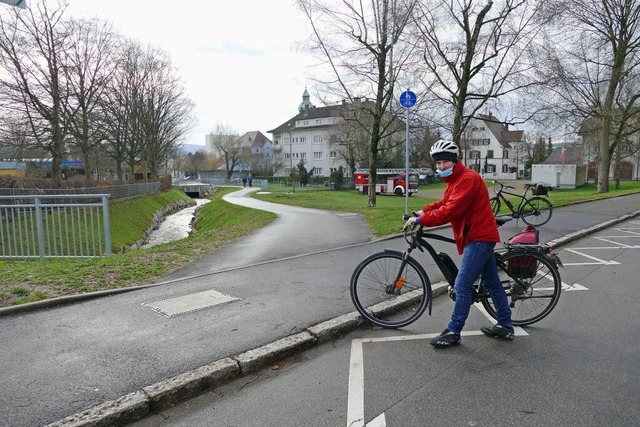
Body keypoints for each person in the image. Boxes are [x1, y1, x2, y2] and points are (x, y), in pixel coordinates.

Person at [403, 140, 514, 348]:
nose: (440, 167)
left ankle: (454, 331)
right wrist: (422, 211)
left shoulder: (468, 179)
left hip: (479, 237)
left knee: (462, 284)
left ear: (454, 161)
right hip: (478, 236)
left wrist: (421, 220)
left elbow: (451, 210)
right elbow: (444, 203)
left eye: (444, 162)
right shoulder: (455, 181)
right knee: (492, 282)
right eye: (437, 164)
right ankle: (505, 325)